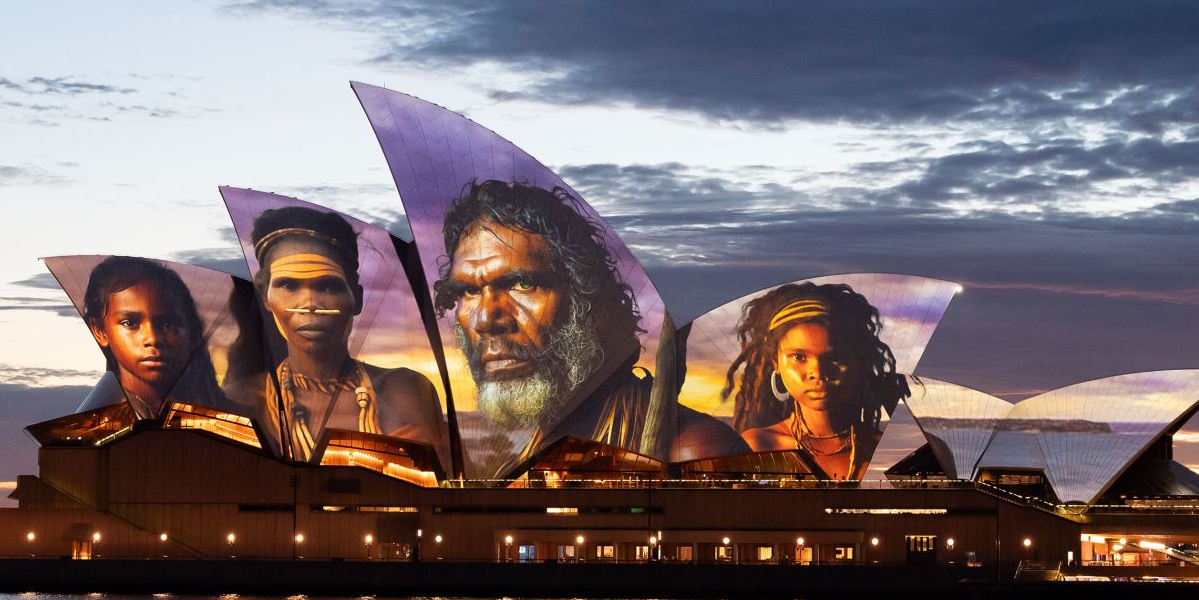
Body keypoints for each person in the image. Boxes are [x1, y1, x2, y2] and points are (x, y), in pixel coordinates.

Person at [432, 179, 744, 471]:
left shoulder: (693, 450)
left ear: (586, 297)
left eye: (523, 283)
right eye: (469, 291)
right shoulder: (533, 455)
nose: (486, 319)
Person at [235, 206, 449, 467]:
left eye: (328, 285)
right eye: (289, 285)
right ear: (265, 295)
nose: (310, 303)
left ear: (356, 298)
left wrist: (440, 457)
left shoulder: (406, 391)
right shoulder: (243, 402)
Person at [723, 281, 909, 480]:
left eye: (835, 357)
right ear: (776, 362)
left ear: (857, 361)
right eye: (799, 357)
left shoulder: (882, 449)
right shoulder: (758, 446)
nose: (818, 372)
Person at [82, 256, 222, 419]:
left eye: (168, 324)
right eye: (130, 323)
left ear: (193, 334)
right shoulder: (93, 422)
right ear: (100, 331)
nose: (153, 339)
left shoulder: (234, 419)